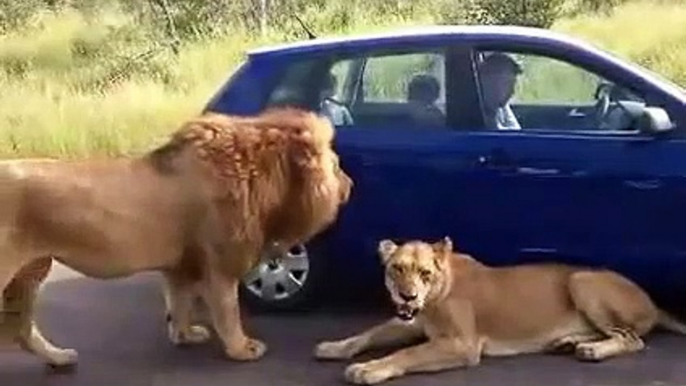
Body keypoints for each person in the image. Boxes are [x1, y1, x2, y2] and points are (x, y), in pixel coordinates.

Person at [478, 52, 523, 130]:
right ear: (491, 81)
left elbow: (516, 131)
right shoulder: (478, 112)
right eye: (507, 84)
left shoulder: (500, 107)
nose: (512, 92)